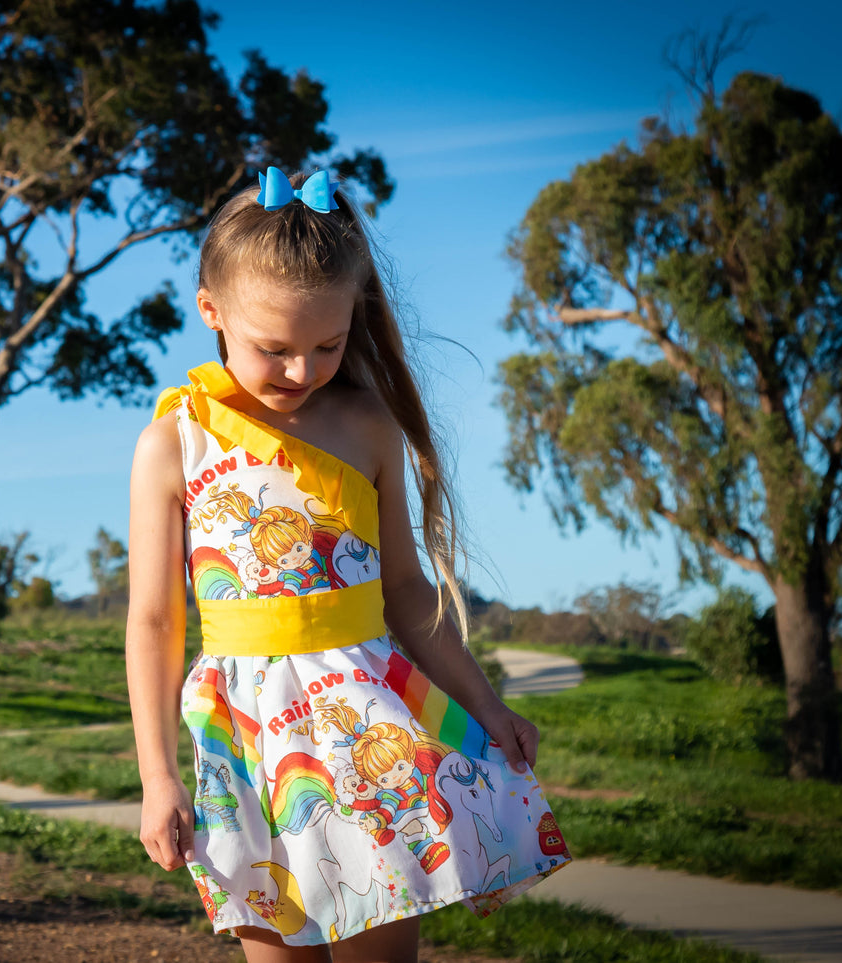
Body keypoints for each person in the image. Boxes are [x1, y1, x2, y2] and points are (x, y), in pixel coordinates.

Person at [125, 168, 571, 963]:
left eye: (326, 345)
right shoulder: (173, 442)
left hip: (368, 718)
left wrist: (485, 702)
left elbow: (404, 589)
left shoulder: (368, 426)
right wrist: (156, 776)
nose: (301, 370)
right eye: (274, 349)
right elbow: (155, 620)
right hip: (244, 736)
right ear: (211, 312)